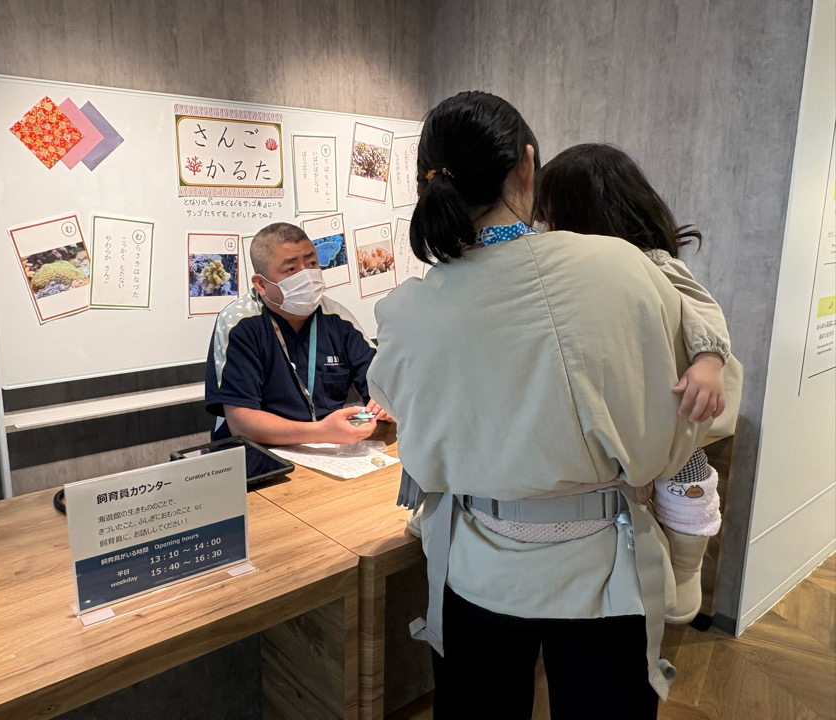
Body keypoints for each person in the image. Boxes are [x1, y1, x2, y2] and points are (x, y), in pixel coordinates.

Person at [367, 92, 738, 719]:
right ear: (526, 167)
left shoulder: (404, 310)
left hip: (473, 566)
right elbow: (685, 420)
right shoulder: (624, 267)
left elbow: (411, 430)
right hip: (605, 567)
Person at [533, 143, 743, 624]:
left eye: (550, 217)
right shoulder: (569, 276)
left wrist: (709, 360)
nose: (543, 228)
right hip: (610, 410)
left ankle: (686, 567)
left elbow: (704, 309)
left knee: (686, 472)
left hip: (663, 408)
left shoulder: (655, 263)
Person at [205, 222, 389, 445]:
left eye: (312, 263)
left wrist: (385, 405)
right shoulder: (239, 323)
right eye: (291, 269)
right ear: (261, 284)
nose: (307, 276)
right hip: (259, 458)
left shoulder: (339, 319)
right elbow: (242, 422)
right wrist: (322, 432)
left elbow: (383, 385)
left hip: (331, 452)